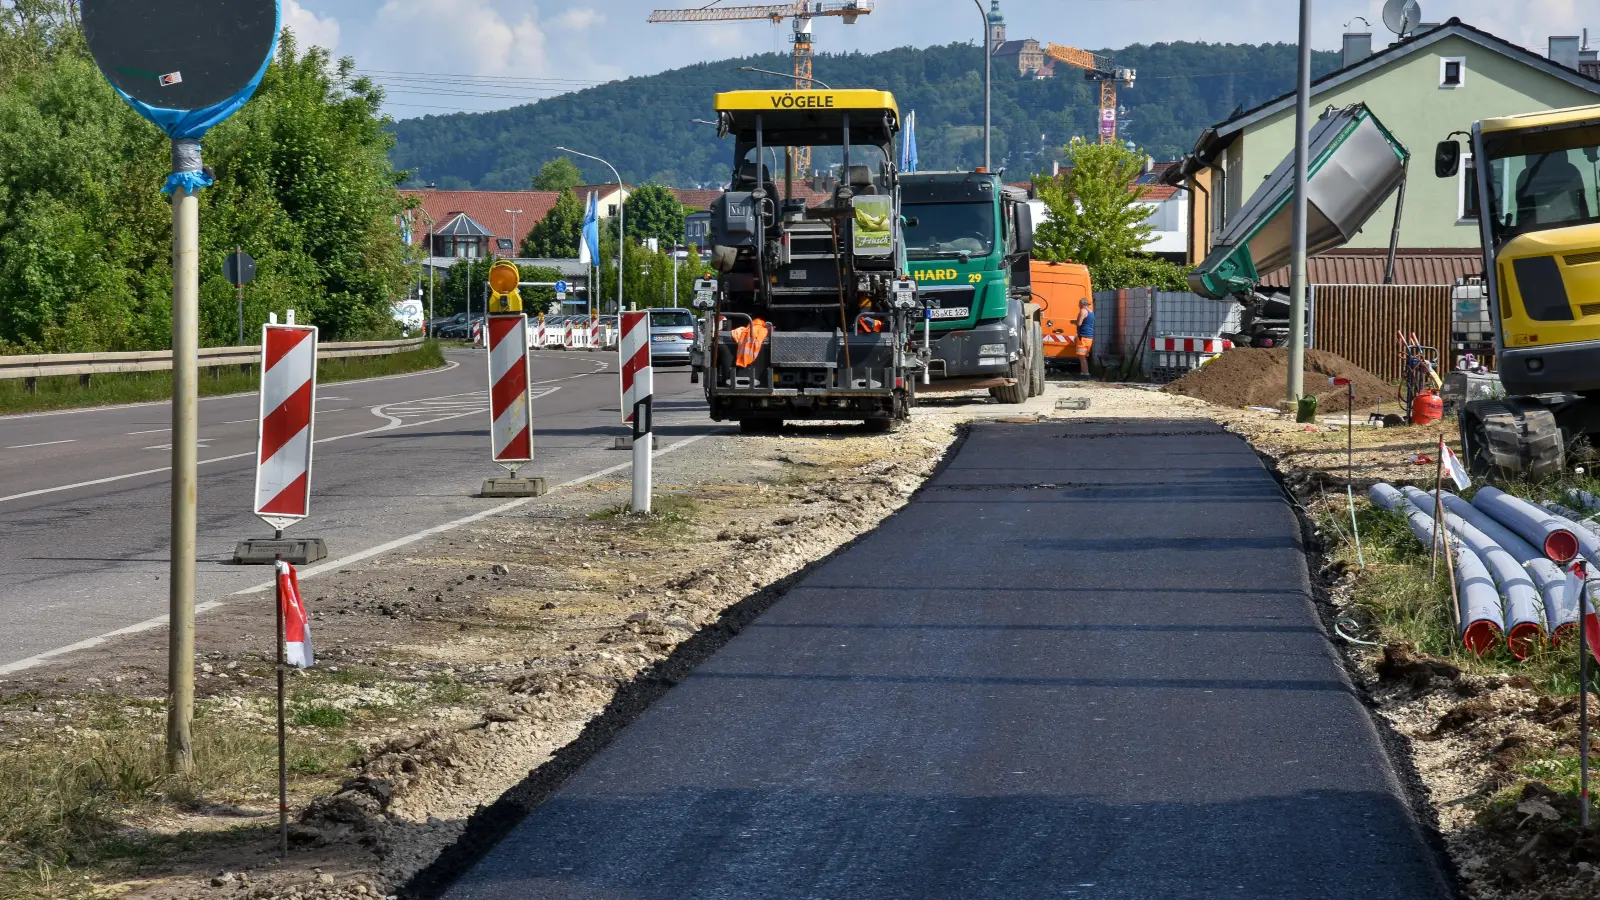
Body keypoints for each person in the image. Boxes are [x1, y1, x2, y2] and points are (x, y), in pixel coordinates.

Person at [1073, 298, 1095, 375]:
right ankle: (1085, 373)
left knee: (1081, 357)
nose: (1078, 305)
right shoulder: (1091, 312)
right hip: (1089, 337)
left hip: (1083, 337)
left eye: (1079, 304)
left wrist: (1074, 322)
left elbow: (1079, 323)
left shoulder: (1083, 311)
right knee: (1084, 356)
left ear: (1082, 304)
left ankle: (1084, 374)